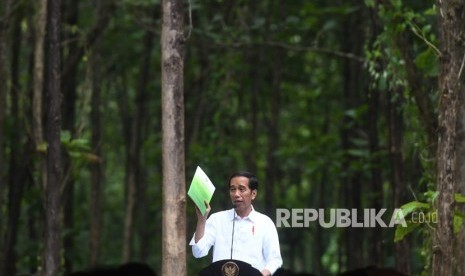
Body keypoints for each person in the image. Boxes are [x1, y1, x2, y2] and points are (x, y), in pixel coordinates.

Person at [190, 171, 283, 276]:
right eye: (232, 189)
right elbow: (198, 252)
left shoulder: (265, 223)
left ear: (253, 194)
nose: (236, 194)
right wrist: (202, 220)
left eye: (241, 189)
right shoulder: (217, 219)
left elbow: (274, 260)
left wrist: (262, 274)